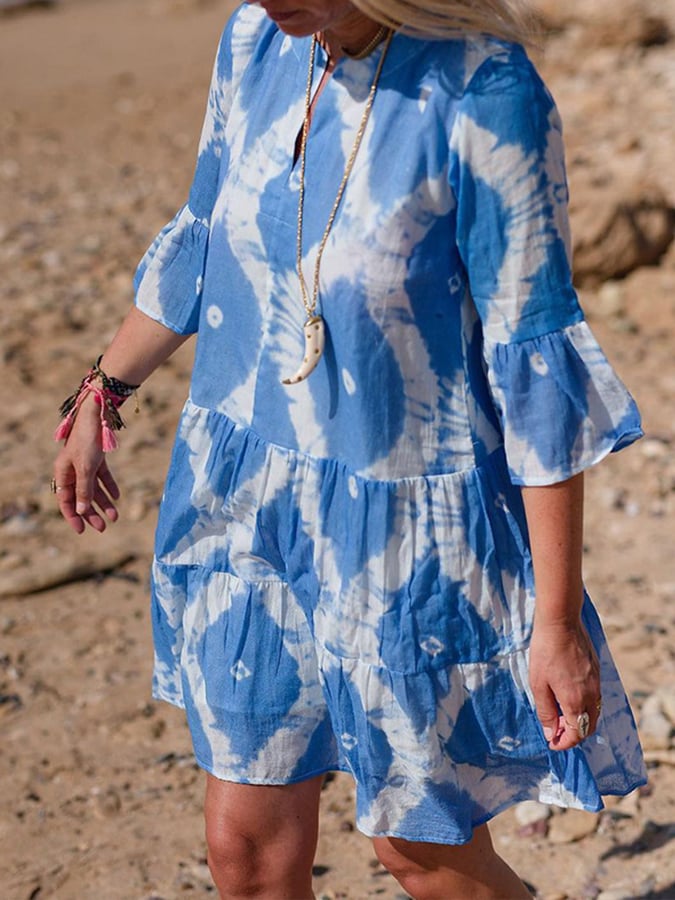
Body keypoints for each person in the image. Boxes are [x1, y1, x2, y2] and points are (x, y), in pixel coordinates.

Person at [52, 0, 647, 896]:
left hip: (405, 536)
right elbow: (205, 235)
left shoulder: (485, 89)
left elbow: (529, 362)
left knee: (422, 854)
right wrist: (103, 389)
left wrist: (554, 624)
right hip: (245, 504)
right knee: (245, 850)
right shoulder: (257, 41)